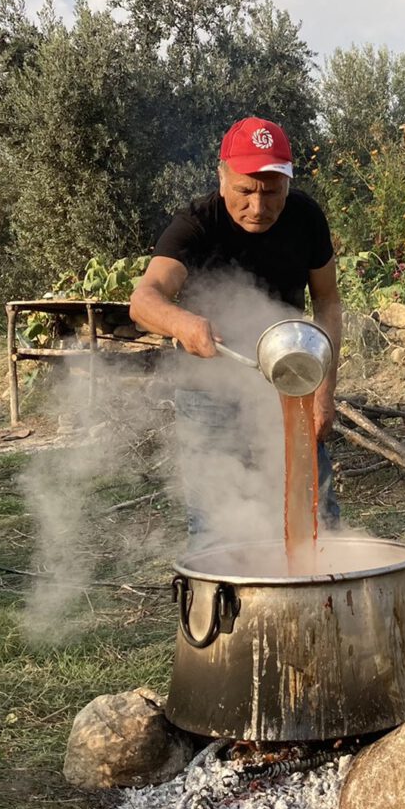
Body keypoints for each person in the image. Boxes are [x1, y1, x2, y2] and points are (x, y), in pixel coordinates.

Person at [130, 116, 343, 531]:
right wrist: (182, 323)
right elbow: (144, 299)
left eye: (272, 193)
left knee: (316, 514)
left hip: (289, 381)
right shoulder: (196, 223)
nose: (258, 207)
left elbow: (328, 301)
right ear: (222, 176)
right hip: (208, 392)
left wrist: (324, 391)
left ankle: (320, 591)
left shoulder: (306, 218)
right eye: (245, 191)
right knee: (214, 523)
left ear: (288, 182)